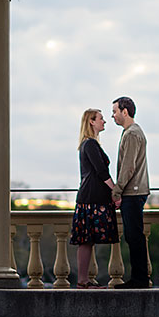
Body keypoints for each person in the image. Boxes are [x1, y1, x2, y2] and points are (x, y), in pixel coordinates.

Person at [69, 107, 119, 287]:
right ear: (91, 121)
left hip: (90, 198)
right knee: (86, 240)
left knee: (87, 240)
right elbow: (101, 171)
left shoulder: (89, 144)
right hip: (91, 199)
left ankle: (84, 280)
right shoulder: (90, 144)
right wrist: (115, 192)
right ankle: (82, 280)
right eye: (101, 118)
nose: (104, 121)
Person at [111, 96, 151, 288]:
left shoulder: (132, 134)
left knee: (134, 236)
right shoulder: (131, 132)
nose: (113, 116)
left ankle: (140, 280)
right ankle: (139, 278)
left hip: (132, 193)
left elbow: (128, 167)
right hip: (134, 192)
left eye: (115, 112)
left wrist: (117, 192)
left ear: (124, 111)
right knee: (133, 236)